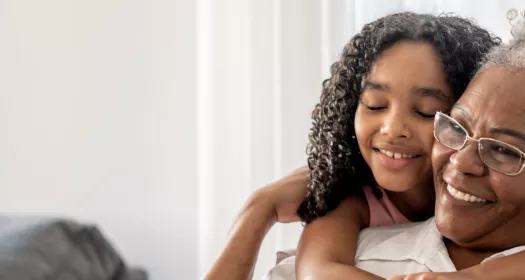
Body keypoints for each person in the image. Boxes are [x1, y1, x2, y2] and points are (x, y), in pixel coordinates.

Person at [263, 15, 525, 280]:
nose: (394, 129)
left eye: (503, 150)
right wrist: (260, 209)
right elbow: (316, 273)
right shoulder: (354, 216)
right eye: (456, 128)